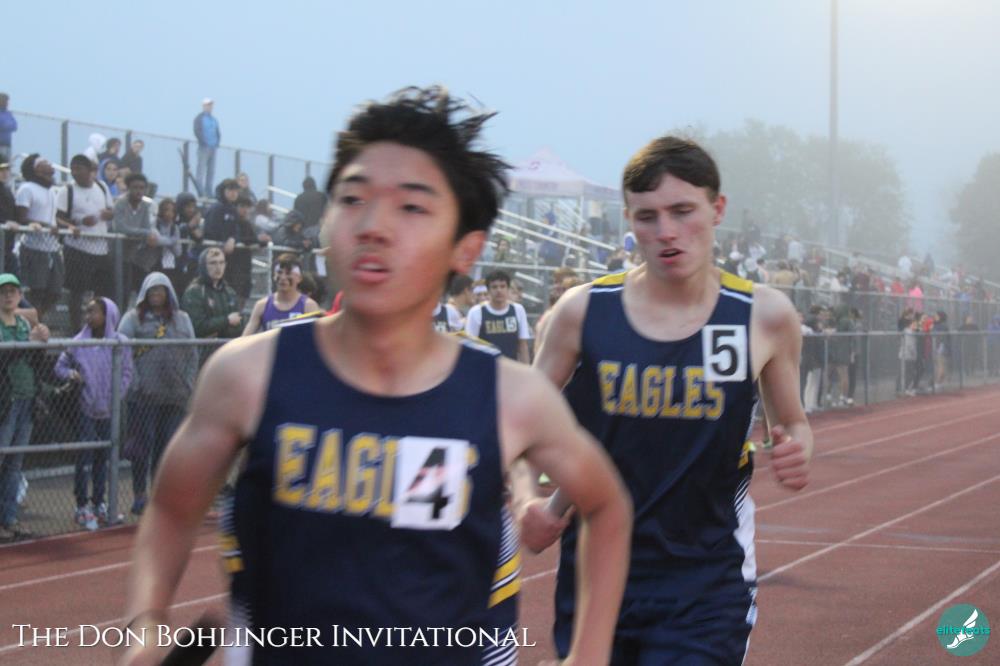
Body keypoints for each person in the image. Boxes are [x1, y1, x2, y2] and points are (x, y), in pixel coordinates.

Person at [121, 86, 631, 666]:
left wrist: (589, 653)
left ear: (466, 249)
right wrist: (146, 625)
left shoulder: (510, 398)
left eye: (411, 207)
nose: (373, 226)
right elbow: (172, 509)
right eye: (353, 198)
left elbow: (607, 505)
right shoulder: (247, 376)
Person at [516, 135, 813, 665]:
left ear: (717, 209)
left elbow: (793, 422)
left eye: (682, 211)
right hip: (596, 576)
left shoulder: (762, 317)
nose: (666, 232)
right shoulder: (582, 313)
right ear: (628, 220)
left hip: (706, 581)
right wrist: (526, 501)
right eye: (647, 217)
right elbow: (521, 426)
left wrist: (796, 447)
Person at [118, 272, 196, 516]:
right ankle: (140, 495)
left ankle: (161, 495)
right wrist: (134, 383)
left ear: (168, 293)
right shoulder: (132, 318)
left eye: (160, 291)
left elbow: (192, 353)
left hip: (174, 395)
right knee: (142, 447)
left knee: (167, 447)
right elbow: (121, 351)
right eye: (152, 291)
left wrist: (188, 382)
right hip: (143, 396)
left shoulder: (182, 319)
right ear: (145, 293)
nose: (156, 295)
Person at [54, 297, 133, 530]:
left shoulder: (120, 342)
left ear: (108, 315)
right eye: (87, 311)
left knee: (103, 457)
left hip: (109, 410)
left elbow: (127, 372)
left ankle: (100, 502)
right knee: (85, 457)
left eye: (94, 312)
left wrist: (116, 397)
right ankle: (81, 506)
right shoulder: (79, 342)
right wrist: (71, 374)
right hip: (85, 408)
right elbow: (59, 366)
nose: (89, 316)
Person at [0, 274, 49, 538]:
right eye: (3, 291)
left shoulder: (22, 323)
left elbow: (35, 360)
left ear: (20, 296)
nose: (8, 295)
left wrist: (41, 342)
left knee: (15, 463)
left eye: (13, 291)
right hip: (5, 402)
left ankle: (9, 518)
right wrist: (28, 343)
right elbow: (5, 357)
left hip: (27, 399)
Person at [56, 154, 115, 332]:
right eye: (72, 169)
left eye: (79, 169)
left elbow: (111, 211)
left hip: (101, 249)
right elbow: (57, 218)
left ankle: (101, 329)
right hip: (77, 248)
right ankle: (76, 330)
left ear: (90, 171)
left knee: (103, 292)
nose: (75, 172)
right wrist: (77, 223)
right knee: (77, 292)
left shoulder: (101, 186)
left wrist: (106, 214)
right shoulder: (67, 190)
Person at [14, 154, 63, 320]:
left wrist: (66, 226)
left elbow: (52, 218)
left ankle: (37, 317)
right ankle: (33, 321)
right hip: (33, 246)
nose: (50, 165)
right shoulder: (27, 188)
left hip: (52, 247)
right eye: (44, 163)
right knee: (37, 289)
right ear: (36, 169)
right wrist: (44, 226)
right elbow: (21, 218)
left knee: (56, 290)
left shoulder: (52, 191)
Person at [464, 269, 532, 363]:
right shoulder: (476, 312)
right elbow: (470, 347)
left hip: (511, 368)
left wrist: (526, 370)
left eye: (502, 286)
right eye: (494, 287)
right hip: (485, 368)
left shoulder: (518, 310)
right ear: (488, 290)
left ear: (508, 289)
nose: (499, 290)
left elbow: (523, 345)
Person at [242, 253, 319, 334]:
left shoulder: (308, 306)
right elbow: (245, 337)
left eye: (288, 273)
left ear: (299, 278)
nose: (283, 277)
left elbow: (318, 338)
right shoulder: (262, 305)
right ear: (274, 276)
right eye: (279, 272)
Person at [180, 247, 244, 339]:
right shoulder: (194, 292)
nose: (218, 267)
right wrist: (226, 321)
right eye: (213, 263)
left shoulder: (229, 292)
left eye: (221, 262)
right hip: (203, 346)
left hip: (228, 345)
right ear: (203, 266)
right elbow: (196, 326)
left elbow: (238, 323)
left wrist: (221, 328)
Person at [193, 98, 220, 196]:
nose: (210, 107)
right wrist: (203, 142)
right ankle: (200, 191)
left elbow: (217, 132)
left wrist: (217, 143)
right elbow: (197, 130)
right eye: (208, 105)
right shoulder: (199, 118)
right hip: (204, 147)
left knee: (211, 171)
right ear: (204, 106)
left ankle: (209, 191)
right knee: (201, 170)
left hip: (213, 148)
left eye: (211, 105)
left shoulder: (214, 119)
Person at [0, 94, 15, 163]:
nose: (7, 103)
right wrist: (6, 125)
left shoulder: (8, 113)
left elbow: (14, 125)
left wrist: (5, 125)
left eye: (7, 101)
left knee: (7, 164)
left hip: (7, 145)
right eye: (5, 101)